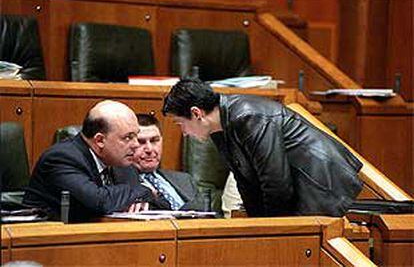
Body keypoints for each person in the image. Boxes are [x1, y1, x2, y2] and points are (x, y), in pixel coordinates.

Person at [162, 78, 364, 217]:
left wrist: (266, 228)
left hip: (321, 184)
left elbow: (276, 182)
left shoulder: (248, 116)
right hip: (299, 192)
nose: (185, 132)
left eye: (180, 124)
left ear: (196, 113)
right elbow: (247, 182)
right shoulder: (219, 129)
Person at [23, 100, 154, 222]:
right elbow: (100, 202)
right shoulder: (61, 158)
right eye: (128, 137)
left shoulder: (121, 161)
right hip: (48, 240)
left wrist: (142, 193)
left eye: (136, 135)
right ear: (100, 140)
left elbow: (159, 203)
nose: (136, 144)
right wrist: (143, 189)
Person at [114, 114, 204, 211]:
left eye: (154, 141)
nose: (149, 149)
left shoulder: (185, 180)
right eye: (141, 142)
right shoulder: (119, 184)